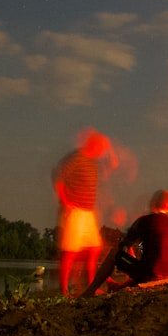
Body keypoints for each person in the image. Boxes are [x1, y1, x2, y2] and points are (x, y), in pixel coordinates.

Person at [51, 127, 119, 296]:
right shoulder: (76, 157)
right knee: (70, 252)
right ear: (93, 145)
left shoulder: (93, 162)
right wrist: (65, 201)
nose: (102, 152)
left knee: (94, 249)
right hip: (75, 212)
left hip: (88, 212)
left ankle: (90, 287)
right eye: (101, 148)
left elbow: (112, 166)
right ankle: (64, 291)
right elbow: (57, 175)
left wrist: (109, 148)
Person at [108, 189, 168, 289]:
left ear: (153, 203)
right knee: (141, 266)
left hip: (151, 275)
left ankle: (92, 289)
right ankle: (118, 287)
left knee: (115, 254)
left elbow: (124, 244)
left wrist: (130, 254)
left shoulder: (144, 221)